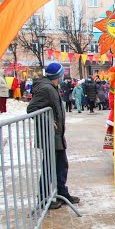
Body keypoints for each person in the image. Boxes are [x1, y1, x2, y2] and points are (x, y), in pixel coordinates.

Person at [26, 62, 80, 209]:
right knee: (49, 168)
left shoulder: (52, 87)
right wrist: (48, 121)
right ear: (59, 75)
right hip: (49, 135)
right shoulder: (46, 88)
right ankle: (44, 199)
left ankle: (62, 193)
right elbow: (31, 108)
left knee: (61, 165)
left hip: (56, 135)